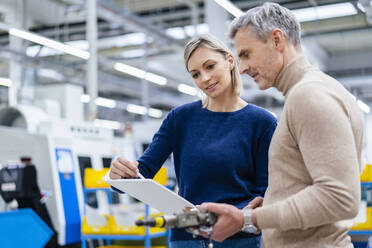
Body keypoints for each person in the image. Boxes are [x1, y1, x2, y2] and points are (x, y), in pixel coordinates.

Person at [200, 2, 364, 248]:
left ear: (277, 40)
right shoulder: (317, 90)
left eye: (246, 54)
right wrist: (274, 202)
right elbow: (311, 183)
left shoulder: (309, 95)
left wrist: (248, 218)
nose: (242, 68)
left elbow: (339, 197)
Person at [109, 34, 277, 248]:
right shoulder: (179, 118)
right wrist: (120, 176)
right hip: (186, 238)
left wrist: (245, 214)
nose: (205, 78)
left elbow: (265, 190)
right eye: (196, 74)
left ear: (230, 61)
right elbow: (142, 171)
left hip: (238, 239)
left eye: (210, 66)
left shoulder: (262, 122)